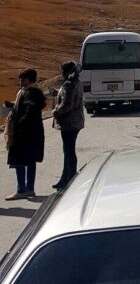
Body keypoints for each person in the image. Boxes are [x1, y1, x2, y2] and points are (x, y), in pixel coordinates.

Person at [4, 69, 46, 200]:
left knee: (20, 161)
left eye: (23, 79)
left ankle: (21, 189)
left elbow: (30, 110)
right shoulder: (32, 92)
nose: (20, 81)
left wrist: (20, 124)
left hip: (24, 133)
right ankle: (29, 189)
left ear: (29, 79)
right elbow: (26, 108)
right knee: (30, 161)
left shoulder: (30, 93)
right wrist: (13, 106)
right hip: (32, 133)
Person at [52, 61, 85, 190]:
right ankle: (65, 178)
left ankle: (69, 179)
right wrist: (58, 93)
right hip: (76, 121)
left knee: (68, 151)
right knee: (69, 150)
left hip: (68, 123)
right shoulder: (77, 82)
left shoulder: (68, 84)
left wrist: (55, 111)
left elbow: (67, 105)